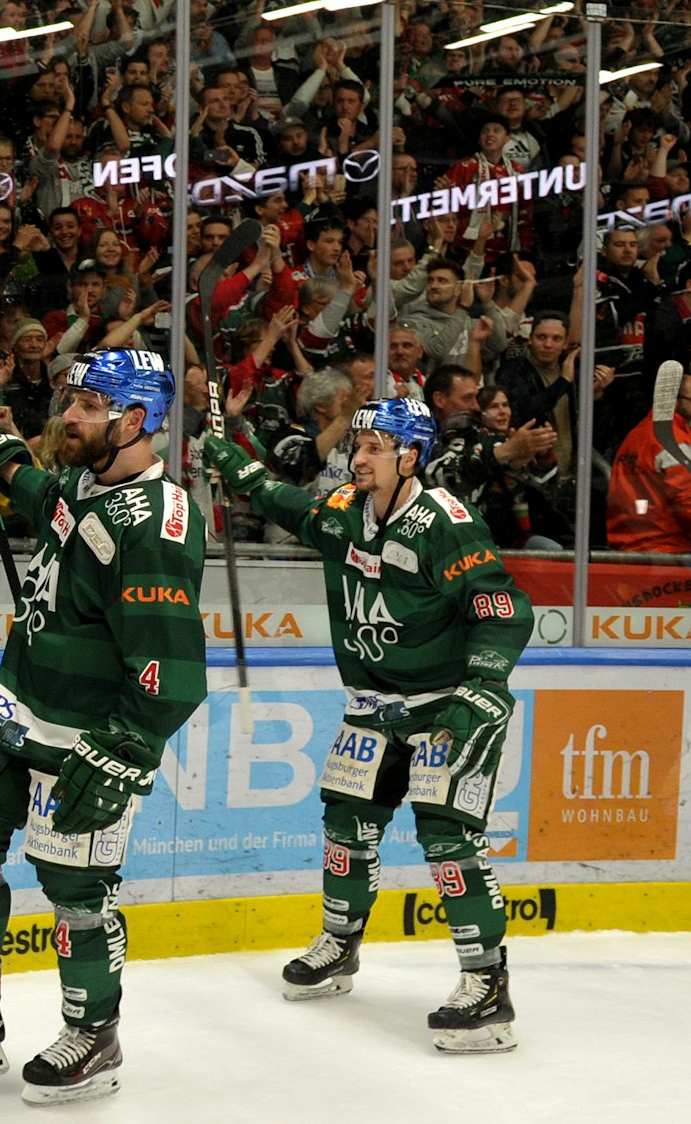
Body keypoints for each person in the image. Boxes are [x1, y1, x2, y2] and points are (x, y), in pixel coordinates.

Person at [0, 348, 207, 1106]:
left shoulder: (156, 525)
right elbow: (35, 487)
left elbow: (169, 670)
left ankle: (94, 1035)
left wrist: (127, 746)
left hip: (84, 742)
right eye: (70, 401)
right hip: (14, 716)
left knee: (77, 892)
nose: (68, 416)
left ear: (135, 420)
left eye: (88, 406)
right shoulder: (81, 485)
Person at [205, 397, 533, 1054]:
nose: (359, 457)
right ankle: (340, 943)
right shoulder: (345, 511)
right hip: (373, 705)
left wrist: (482, 686)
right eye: (357, 446)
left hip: (446, 708)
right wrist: (240, 469)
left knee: (448, 840)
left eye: (375, 447)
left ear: (410, 457)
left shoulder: (446, 523)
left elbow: (503, 611)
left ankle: (487, 983)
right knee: (345, 825)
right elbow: (291, 507)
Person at [606, 371, 691, 553]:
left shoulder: (640, 433)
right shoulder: (673, 441)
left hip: (633, 544)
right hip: (667, 548)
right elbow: (687, 502)